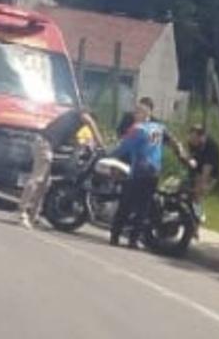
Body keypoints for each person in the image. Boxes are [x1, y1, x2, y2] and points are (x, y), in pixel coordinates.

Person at [17, 109, 104, 230]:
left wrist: (88, 145)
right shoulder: (79, 114)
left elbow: (76, 142)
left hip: (44, 144)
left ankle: (33, 215)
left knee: (45, 184)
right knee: (37, 178)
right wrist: (101, 143)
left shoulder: (72, 123)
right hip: (44, 144)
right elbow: (89, 121)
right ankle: (22, 213)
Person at [108, 101, 165, 248]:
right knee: (143, 208)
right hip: (154, 171)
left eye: (138, 111)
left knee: (126, 203)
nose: (134, 114)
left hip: (139, 171)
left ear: (145, 114)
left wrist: (108, 154)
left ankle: (115, 235)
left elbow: (124, 147)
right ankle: (133, 240)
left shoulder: (137, 129)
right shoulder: (158, 128)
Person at [186, 124, 219, 222]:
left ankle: (198, 216)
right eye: (191, 136)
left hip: (210, 174)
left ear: (201, 137)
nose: (192, 140)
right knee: (186, 192)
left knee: (198, 194)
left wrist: (202, 184)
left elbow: (207, 169)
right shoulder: (192, 143)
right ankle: (188, 215)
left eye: (194, 138)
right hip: (197, 170)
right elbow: (191, 157)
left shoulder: (211, 147)